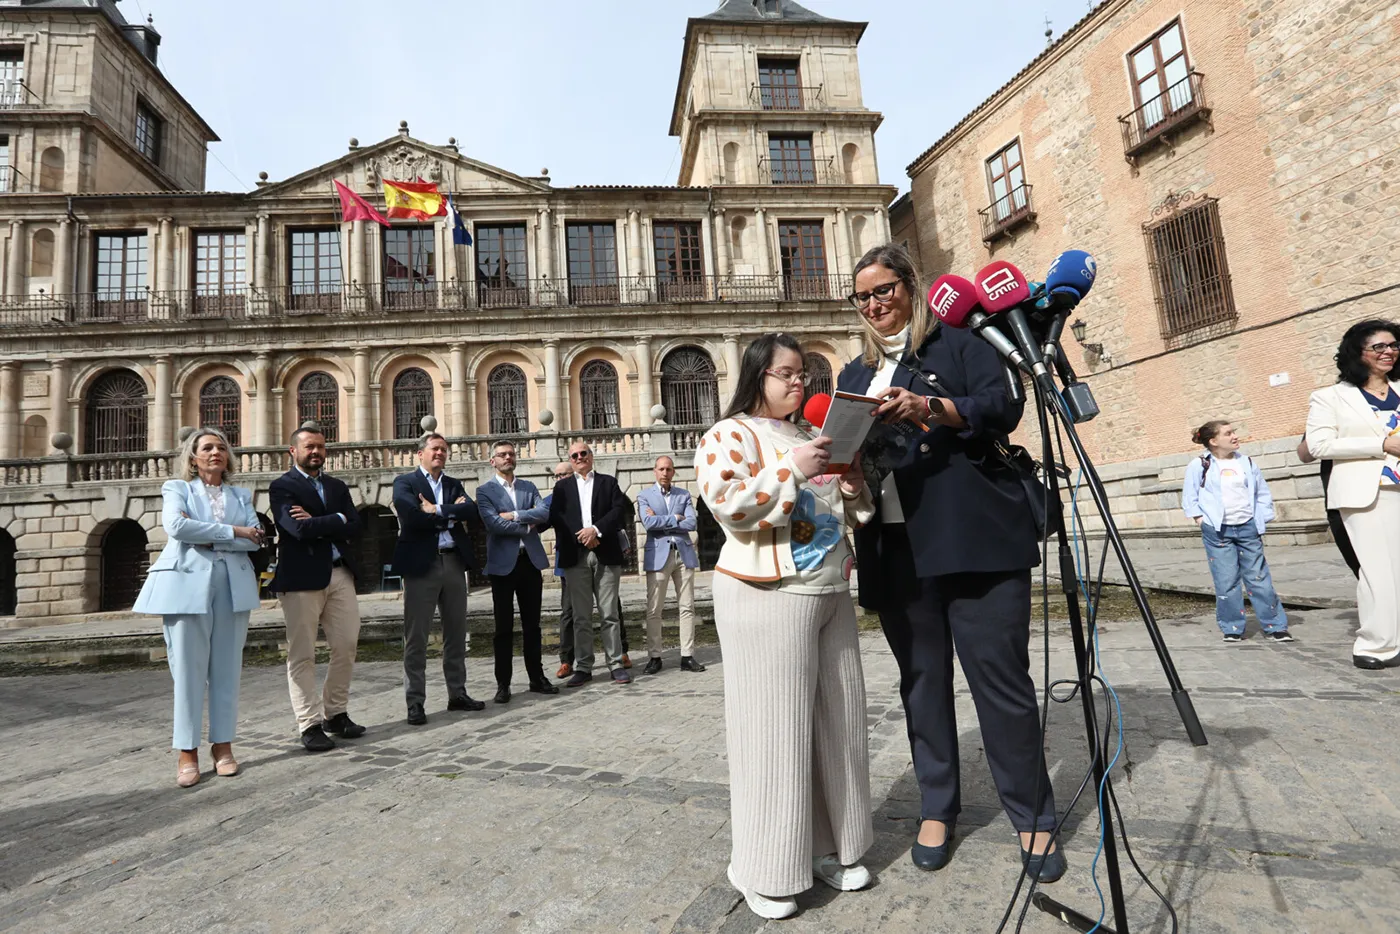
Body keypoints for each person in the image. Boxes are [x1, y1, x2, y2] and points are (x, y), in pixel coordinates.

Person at [836, 243, 1064, 881]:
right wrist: (846, 472)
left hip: (973, 541)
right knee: (922, 686)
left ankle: (1033, 817)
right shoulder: (853, 377)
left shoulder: (960, 343)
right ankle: (938, 807)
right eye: (865, 296)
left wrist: (932, 408)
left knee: (1003, 684)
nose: (877, 303)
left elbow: (1005, 406)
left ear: (911, 286)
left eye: (886, 289)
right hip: (894, 549)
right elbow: (849, 468)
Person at [696, 332, 875, 921]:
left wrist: (850, 485)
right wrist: (791, 470)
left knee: (839, 722)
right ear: (757, 378)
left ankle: (833, 845)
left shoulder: (809, 436)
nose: (798, 383)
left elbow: (844, 513)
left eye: (803, 374)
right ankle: (763, 867)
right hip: (765, 595)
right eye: (786, 374)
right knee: (773, 732)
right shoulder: (730, 434)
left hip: (830, 590)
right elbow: (729, 504)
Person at [134, 428, 263, 787]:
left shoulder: (241, 494)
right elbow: (176, 527)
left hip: (233, 587)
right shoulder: (178, 489)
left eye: (221, 447)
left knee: (227, 670)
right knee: (188, 672)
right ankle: (186, 751)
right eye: (206, 447)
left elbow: (257, 540)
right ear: (192, 457)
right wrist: (233, 532)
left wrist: (219, 535)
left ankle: (222, 746)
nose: (215, 452)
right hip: (186, 585)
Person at [1305, 319, 1400, 670]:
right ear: (1357, 353)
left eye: (1393, 345)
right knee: (1377, 570)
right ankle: (1375, 645)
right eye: (1378, 346)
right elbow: (1318, 445)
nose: (1388, 352)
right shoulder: (1330, 397)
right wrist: (1381, 443)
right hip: (1368, 492)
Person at [270, 427, 366, 752]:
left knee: (346, 645)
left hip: (340, 575)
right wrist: (335, 520)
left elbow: (356, 525)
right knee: (302, 653)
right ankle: (309, 723)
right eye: (309, 446)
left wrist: (321, 520)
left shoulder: (337, 486)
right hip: (301, 579)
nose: (316, 452)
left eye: (321, 447)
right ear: (292, 451)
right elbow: (296, 528)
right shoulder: (282, 486)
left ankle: (335, 714)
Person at [391, 432, 485, 725]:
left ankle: (457, 693)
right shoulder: (405, 482)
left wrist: (438, 509)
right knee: (416, 637)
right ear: (420, 453)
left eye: (444, 450)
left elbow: (472, 510)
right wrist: (449, 515)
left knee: (456, 634)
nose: (440, 453)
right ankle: (415, 702)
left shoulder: (453, 483)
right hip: (422, 565)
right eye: (435, 449)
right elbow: (412, 517)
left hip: (454, 562)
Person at [1181, 421, 1293, 643]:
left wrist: (1262, 518)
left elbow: (1262, 493)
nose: (1235, 436)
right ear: (1213, 441)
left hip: (1248, 527)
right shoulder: (1199, 465)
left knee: (1259, 579)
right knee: (1226, 580)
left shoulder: (1247, 462)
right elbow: (1189, 497)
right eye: (1228, 433)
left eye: (1234, 432)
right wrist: (1202, 520)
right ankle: (1232, 626)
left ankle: (1275, 626)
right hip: (1218, 531)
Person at [476, 439, 558, 703]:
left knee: (532, 625)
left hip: (529, 562)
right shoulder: (484, 491)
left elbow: (544, 513)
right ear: (493, 461)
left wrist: (513, 516)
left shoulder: (529, 486)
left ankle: (537, 678)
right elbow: (494, 524)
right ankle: (503, 684)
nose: (507, 458)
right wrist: (525, 522)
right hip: (502, 567)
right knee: (503, 628)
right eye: (502, 454)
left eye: (511, 454)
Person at [548, 441, 631, 686]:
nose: (580, 457)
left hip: (606, 554)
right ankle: (583, 667)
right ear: (570, 460)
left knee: (609, 614)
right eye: (575, 455)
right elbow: (557, 517)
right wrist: (583, 534)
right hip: (575, 556)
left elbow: (618, 511)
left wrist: (595, 530)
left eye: (584, 453)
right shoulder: (561, 487)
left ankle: (616, 664)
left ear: (591, 456)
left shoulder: (608, 482)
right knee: (581, 616)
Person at [638, 454, 705, 675]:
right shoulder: (644, 495)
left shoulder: (684, 494)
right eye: (661, 469)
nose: (665, 473)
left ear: (673, 472)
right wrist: (676, 518)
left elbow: (692, 522)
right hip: (658, 555)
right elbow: (648, 524)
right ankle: (655, 656)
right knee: (655, 609)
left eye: (669, 469)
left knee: (687, 607)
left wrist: (663, 519)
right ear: (655, 471)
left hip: (683, 554)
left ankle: (687, 655)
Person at [1296, 438, 1361, 577]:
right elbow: (1304, 455)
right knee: (1359, 569)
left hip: (1376, 498)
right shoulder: (1323, 418)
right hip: (1337, 504)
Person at [545, 461, 577, 679]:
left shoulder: (585, 491)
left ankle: (621, 652)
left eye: (563, 475)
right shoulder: (552, 499)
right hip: (568, 562)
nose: (559, 480)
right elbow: (537, 516)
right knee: (568, 613)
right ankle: (566, 661)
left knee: (610, 609)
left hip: (597, 559)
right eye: (556, 476)